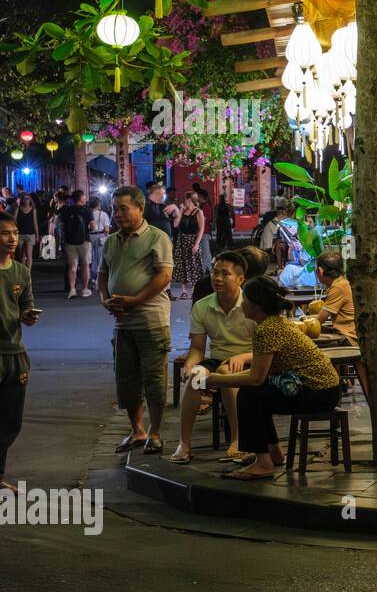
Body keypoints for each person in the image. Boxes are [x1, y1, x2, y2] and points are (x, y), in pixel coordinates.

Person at [205, 276, 340, 480]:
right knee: (258, 393)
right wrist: (219, 378)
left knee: (249, 396)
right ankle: (274, 453)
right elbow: (260, 373)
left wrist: (217, 380)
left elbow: (256, 378)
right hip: (324, 389)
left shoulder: (267, 329)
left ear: (257, 306)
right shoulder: (274, 324)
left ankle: (263, 463)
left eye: (246, 301)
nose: (242, 305)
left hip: (318, 392)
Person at [99, 186, 174, 458]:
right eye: (114, 208)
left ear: (140, 208)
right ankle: (137, 430)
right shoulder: (110, 241)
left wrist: (135, 300)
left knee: (154, 379)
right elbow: (102, 276)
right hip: (122, 324)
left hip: (150, 320)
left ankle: (155, 433)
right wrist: (106, 300)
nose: (117, 214)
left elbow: (164, 276)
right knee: (127, 380)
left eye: (123, 208)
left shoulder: (157, 237)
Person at [168, 251, 258, 463]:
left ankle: (237, 441)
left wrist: (244, 357)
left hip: (250, 362)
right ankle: (185, 443)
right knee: (196, 377)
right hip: (217, 360)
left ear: (240, 279)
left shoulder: (253, 305)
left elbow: (269, 346)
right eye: (214, 272)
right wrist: (190, 366)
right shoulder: (202, 306)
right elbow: (198, 348)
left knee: (227, 374)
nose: (217, 278)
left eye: (225, 274)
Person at [0, 212, 40, 493]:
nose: (12, 238)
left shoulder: (21, 272)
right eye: (5, 233)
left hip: (16, 354)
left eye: (14, 232)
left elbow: (27, 305)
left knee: (10, 422)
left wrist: (28, 315)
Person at [314, 252, 356, 345]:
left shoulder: (338, 287)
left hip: (347, 338)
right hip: (342, 333)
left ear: (320, 271)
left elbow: (319, 320)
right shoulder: (341, 283)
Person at [58, 189, 93, 298]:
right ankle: (84, 289)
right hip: (84, 241)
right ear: (81, 198)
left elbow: (62, 226)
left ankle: (72, 289)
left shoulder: (67, 210)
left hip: (69, 241)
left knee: (72, 266)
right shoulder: (87, 210)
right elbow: (93, 226)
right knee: (85, 265)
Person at [172, 192, 205, 299]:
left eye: (186, 199)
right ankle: (184, 290)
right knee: (181, 264)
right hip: (182, 239)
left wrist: (196, 244)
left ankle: (194, 289)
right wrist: (180, 211)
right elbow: (176, 224)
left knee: (194, 264)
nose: (184, 201)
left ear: (190, 200)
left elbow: (201, 229)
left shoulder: (198, 212)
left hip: (192, 239)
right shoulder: (183, 210)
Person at [87, 195, 111, 282]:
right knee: (99, 257)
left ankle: (89, 275)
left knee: (89, 257)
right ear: (98, 204)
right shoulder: (103, 214)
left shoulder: (87, 213)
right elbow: (107, 229)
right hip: (100, 237)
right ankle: (97, 276)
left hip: (88, 236)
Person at [192, 183, 213, 272]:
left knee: (205, 250)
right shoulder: (202, 206)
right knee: (203, 250)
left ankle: (206, 267)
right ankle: (206, 266)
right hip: (202, 232)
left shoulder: (205, 207)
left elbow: (205, 220)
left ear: (201, 196)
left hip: (204, 231)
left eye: (198, 196)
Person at [15, 194, 39, 269]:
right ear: (22, 200)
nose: (26, 200)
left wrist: (37, 235)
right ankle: (23, 272)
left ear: (30, 200)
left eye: (28, 198)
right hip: (20, 234)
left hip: (30, 234)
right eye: (24, 199)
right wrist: (17, 206)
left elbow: (35, 223)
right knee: (21, 255)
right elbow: (13, 220)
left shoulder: (33, 209)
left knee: (29, 255)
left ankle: (28, 274)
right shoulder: (18, 208)